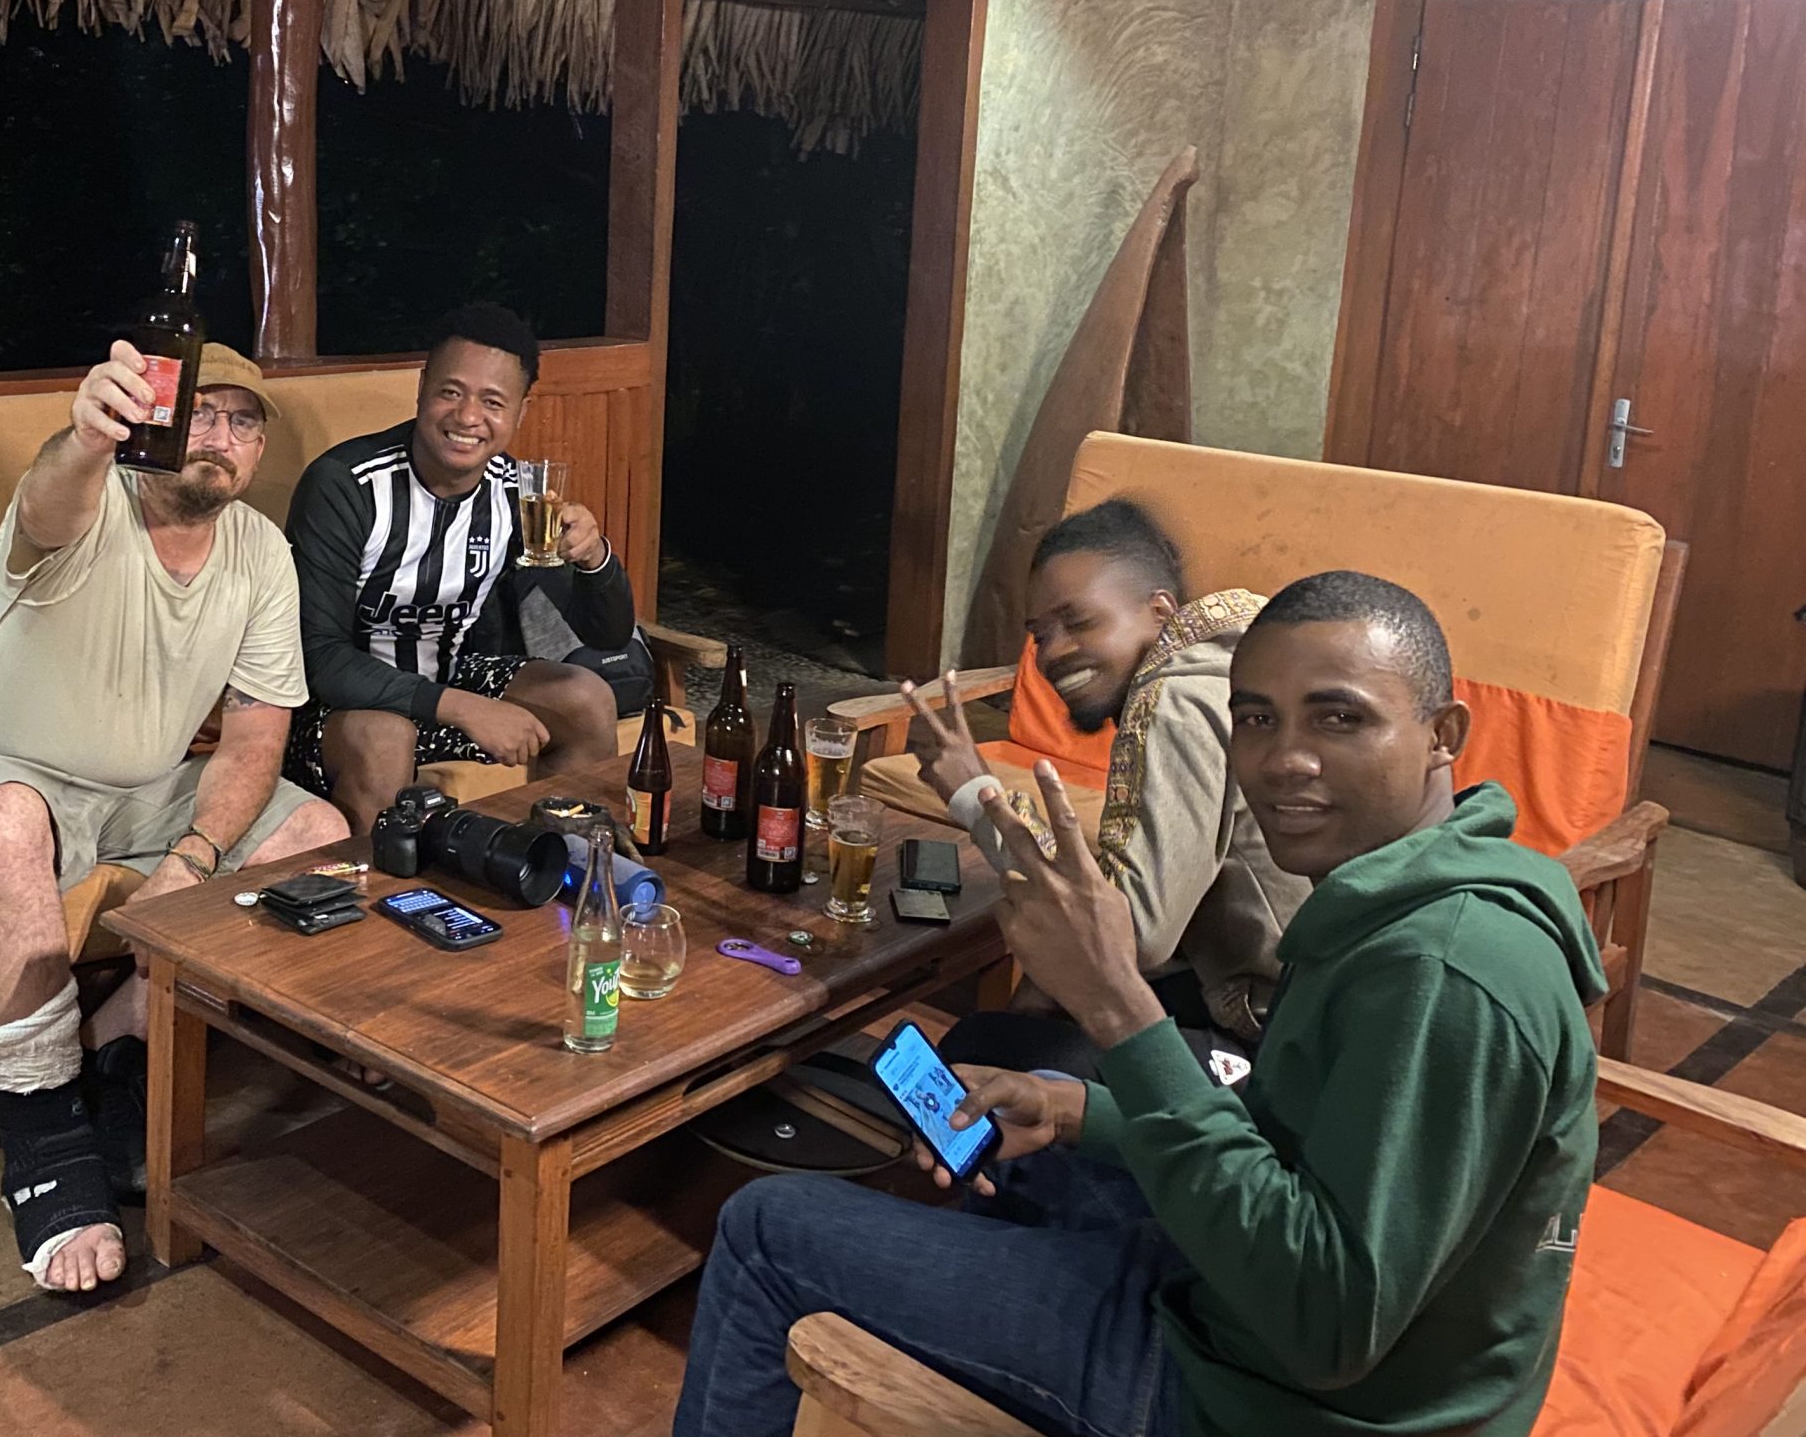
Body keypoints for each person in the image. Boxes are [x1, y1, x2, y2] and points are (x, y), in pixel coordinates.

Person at [675, 570, 1604, 1437]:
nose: (1286, 760)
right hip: (1259, 1322)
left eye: (1339, 719)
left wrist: (1121, 1008)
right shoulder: (1400, 895)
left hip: (1263, 1398)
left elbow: (1325, 1325)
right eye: (1257, 719)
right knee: (1024, 1144)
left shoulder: (1444, 974)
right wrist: (1078, 1112)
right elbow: (1302, 1137)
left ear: (1443, 733)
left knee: (768, 1231)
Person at [0, 340, 350, 1295]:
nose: (219, 437)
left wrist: (194, 857)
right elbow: (46, 503)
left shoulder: (261, 552)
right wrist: (87, 438)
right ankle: (43, 1135)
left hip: (141, 789)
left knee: (319, 838)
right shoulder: (91, 502)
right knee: (6, 822)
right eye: (199, 413)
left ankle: (116, 1045)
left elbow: (256, 736)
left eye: (243, 422)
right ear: (155, 422)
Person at [909, 499, 1306, 1075]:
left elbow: (1130, 936)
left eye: (1079, 623)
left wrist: (977, 795)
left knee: (983, 1046)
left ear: (1160, 610)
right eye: (1040, 635)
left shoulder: (1175, 698)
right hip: (1271, 988)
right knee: (1034, 1010)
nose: (1053, 653)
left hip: (1280, 1040)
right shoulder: (1236, 657)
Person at [285, 303, 633, 830]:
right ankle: (380, 881)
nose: (468, 418)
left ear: (520, 412)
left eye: (492, 401)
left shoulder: (514, 492)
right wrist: (463, 708)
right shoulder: (346, 486)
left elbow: (607, 636)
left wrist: (594, 559)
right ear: (422, 388)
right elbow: (321, 659)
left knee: (585, 698)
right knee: (385, 737)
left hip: (448, 680)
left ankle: (558, 860)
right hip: (333, 709)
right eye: (451, 392)